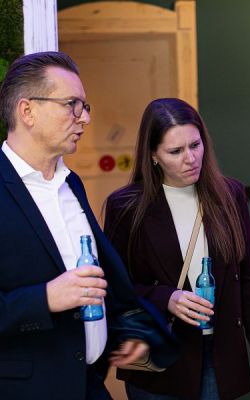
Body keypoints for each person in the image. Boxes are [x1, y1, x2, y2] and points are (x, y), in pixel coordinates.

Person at [0, 51, 178, 400]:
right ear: (27, 111)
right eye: (72, 105)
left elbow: (99, 278)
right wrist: (45, 298)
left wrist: (127, 329)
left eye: (85, 106)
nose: (85, 118)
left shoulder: (71, 184)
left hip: (90, 385)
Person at [104, 98, 250, 400]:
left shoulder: (230, 195)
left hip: (220, 356)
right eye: (175, 151)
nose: (191, 158)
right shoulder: (126, 207)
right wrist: (166, 298)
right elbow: (115, 287)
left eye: (195, 145)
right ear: (153, 155)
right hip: (161, 363)